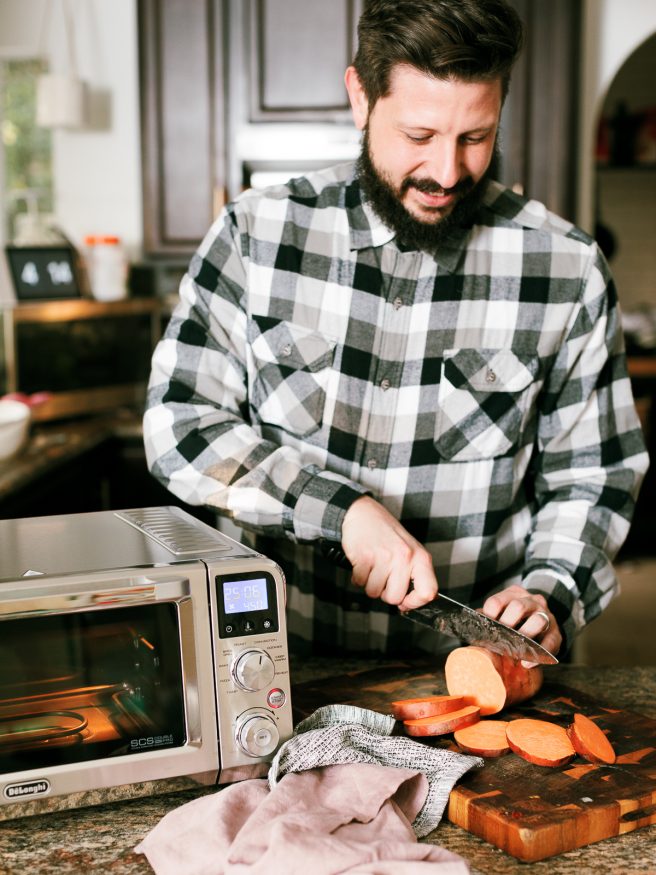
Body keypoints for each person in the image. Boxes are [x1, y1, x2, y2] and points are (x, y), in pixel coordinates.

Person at [143, 0, 648, 660]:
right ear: (361, 96)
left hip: (471, 678)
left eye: (476, 137)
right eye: (419, 136)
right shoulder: (255, 234)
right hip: (280, 662)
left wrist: (550, 590)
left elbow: (594, 473)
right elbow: (178, 423)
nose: (446, 171)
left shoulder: (566, 268)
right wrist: (340, 509)